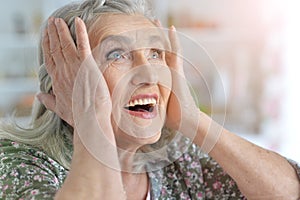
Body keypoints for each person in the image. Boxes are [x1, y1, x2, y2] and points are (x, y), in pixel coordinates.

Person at [0, 0, 299, 199]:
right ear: (63, 81)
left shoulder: (174, 160)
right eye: (117, 54)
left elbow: (288, 192)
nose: (149, 74)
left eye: (155, 53)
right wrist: (92, 116)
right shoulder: (16, 164)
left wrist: (192, 119)